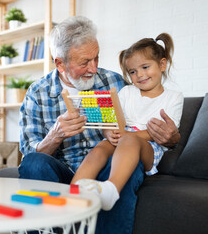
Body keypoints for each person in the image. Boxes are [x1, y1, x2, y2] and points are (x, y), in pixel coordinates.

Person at [18, 16, 180, 234]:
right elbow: (28, 154)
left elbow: (141, 121)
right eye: (85, 62)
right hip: (65, 173)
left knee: (127, 163)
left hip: (107, 172)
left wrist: (171, 137)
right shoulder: (37, 93)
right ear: (60, 63)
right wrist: (54, 136)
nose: (93, 68)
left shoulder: (115, 83)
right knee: (34, 163)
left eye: (96, 58)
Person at [71, 33, 184, 211]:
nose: (139, 75)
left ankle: (111, 189)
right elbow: (113, 120)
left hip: (148, 145)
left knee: (129, 140)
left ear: (162, 64)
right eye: (133, 71)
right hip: (122, 136)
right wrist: (108, 132)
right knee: (99, 149)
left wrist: (128, 135)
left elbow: (161, 133)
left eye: (145, 67)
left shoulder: (173, 97)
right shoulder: (126, 92)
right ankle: (73, 191)